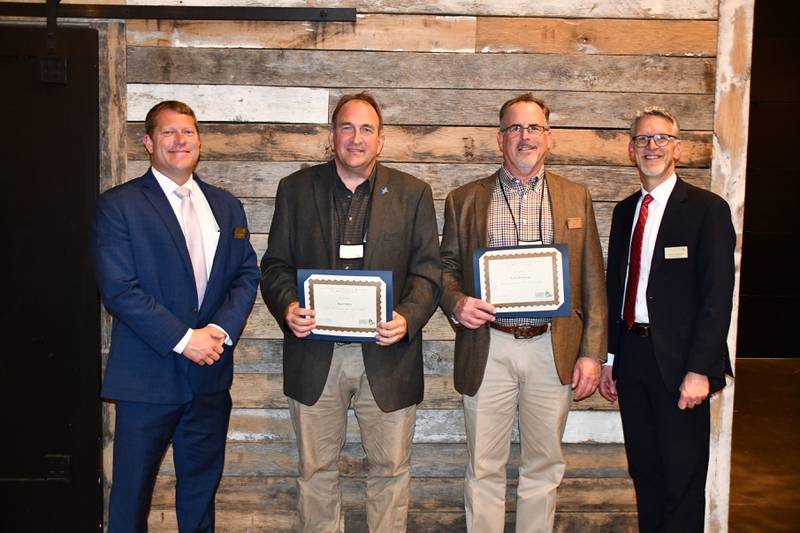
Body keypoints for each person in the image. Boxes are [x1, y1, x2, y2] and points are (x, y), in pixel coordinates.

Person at [260, 92, 441, 532]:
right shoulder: (296, 189)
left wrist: (407, 318)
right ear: (331, 136)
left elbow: (428, 273)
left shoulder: (413, 193)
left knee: (391, 471)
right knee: (316, 473)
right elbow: (275, 266)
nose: (355, 138)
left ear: (380, 141)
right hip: (315, 353)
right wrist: (287, 306)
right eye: (346, 127)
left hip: (387, 355)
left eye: (366, 129)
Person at [439, 93, 607, 532]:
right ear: (500, 139)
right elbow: (445, 269)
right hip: (487, 345)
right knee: (483, 467)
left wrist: (592, 353)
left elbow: (592, 279)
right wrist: (457, 302)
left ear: (548, 138)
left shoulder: (576, 197)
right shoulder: (464, 199)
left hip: (552, 348)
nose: (524, 137)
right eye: (515, 128)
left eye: (534, 128)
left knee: (543, 466)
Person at [90, 100, 260, 532]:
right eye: (168, 132)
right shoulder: (119, 206)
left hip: (209, 380)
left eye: (187, 132)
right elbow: (119, 290)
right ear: (148, 142)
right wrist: (187, 339)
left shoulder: (226, 206)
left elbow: (245, 272)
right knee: (130, 499)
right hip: (147, 379)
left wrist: (219, 331)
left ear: (199, 141)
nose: (179, 140)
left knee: (200, 496)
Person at [599, 107, 735, 532]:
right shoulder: (625, 212)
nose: (651, 146)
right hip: (633, 357)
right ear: (630, 150)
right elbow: (616, 289)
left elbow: (718, 297)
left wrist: (699, 370)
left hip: (681, 366)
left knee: (682, 479)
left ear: (677, 148)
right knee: (646, 474)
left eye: (660, 138)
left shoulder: (706, 210)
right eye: (642, 139)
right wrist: (609, 359)